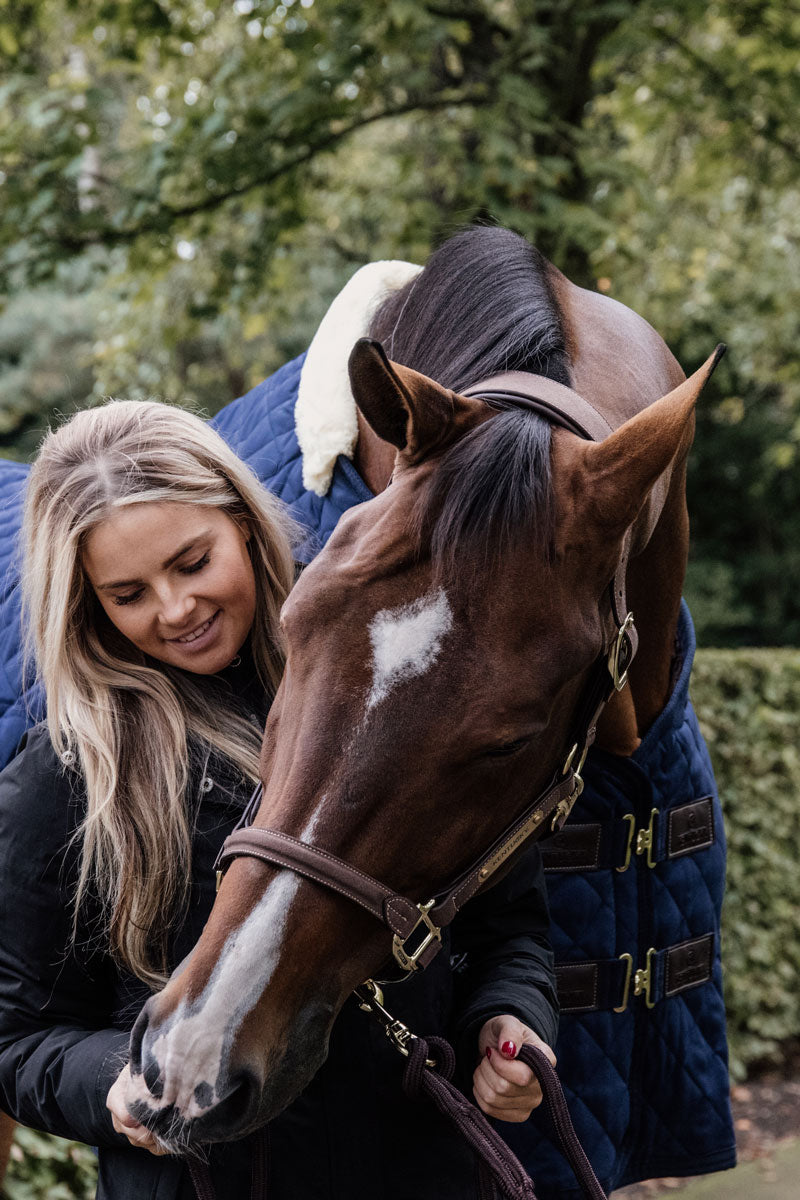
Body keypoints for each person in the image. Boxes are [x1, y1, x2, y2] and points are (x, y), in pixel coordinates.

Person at [0, 398, 558, 1199]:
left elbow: (510, 923)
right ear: (88, 603)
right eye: (128, 593)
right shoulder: (69, 775)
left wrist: (510, 1020)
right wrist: (112, 1083)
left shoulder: (393, 687)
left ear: (244, 524)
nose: (175, 608)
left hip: (422, 1171)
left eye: (192, 562)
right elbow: (17, 1039)